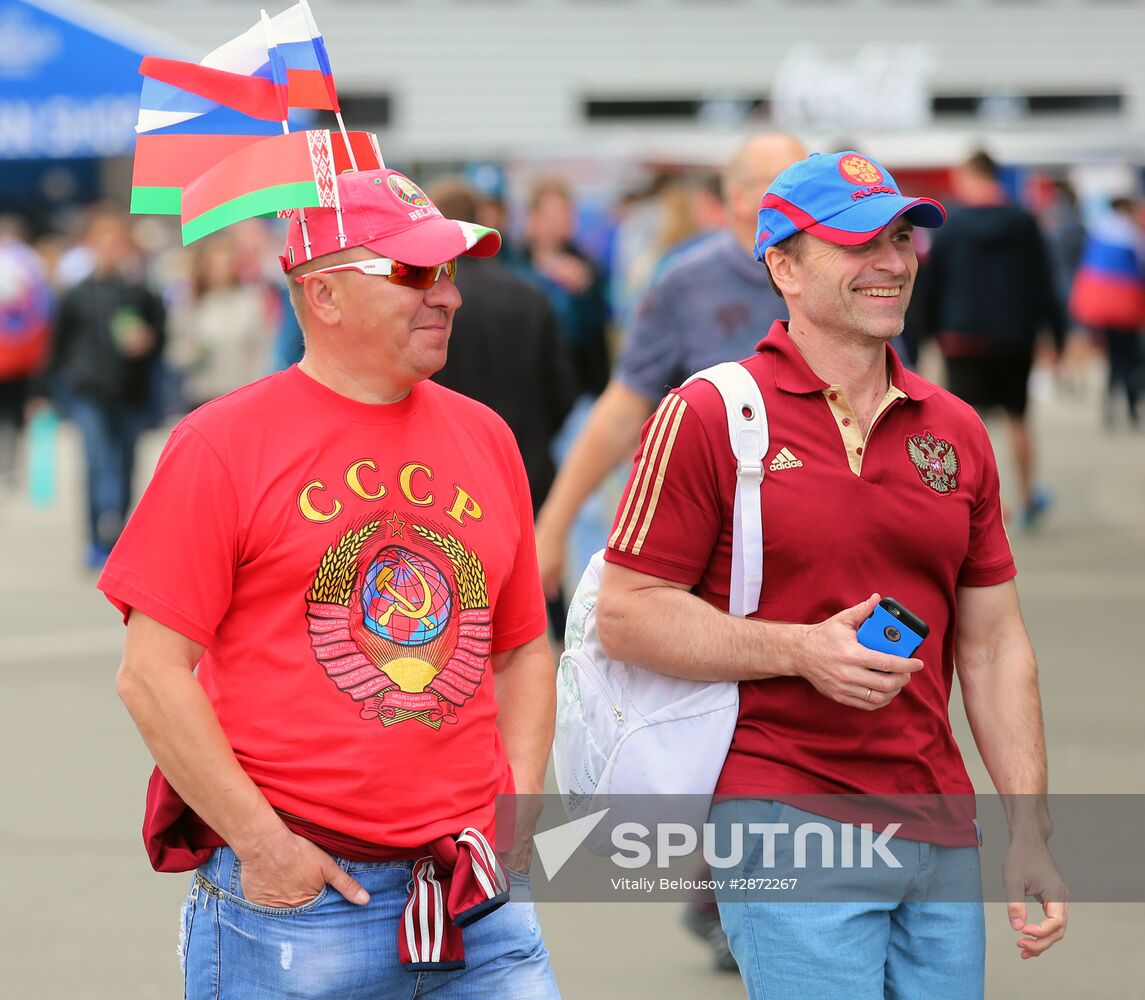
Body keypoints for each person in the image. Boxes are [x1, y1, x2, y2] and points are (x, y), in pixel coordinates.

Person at [594, 151, 1067, 1000]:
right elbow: (626, 615)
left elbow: (994, 645)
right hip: (784, 814)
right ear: (781, 265)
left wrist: (1026, 825)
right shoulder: (708, 413)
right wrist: (800, 650)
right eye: (856, 243)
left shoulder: (954, 429)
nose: (889, 262)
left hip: (936, 823)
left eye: (898, 238)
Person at [100, 169, 560, 998]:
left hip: (474, 889)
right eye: (415, 273)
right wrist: (263, 847)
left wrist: (516, 813)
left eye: (448, 272)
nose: (447, 296)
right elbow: (150, 673)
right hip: (301, 901)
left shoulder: (485, 437)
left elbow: (523, 643)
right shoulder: (220, 444)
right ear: (324, 295)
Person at [534, 133, 806, 601]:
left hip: (813, 534)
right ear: (738, 198)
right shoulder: (686, 282)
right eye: (783, 183)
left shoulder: (834, 276)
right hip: (720, 547)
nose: (804, 198)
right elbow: (622, 408)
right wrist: (553, 527)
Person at [428, 177, 579, 633]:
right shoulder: (530, 296)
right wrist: (535, 434)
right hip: (526, 458)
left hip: (443, 463)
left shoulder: (426, 304)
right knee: (534, 583)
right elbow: (564, 387)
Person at [911, 150, 1065, 529]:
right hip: (1015, 335)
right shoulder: (1024, 221)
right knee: (1018, 418)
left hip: (961, 336)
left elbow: (932, 283)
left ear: (969, 175)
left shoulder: (952, 223)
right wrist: (1056, 336)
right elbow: (1044, 281)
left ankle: (972, 508)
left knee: (965, 424)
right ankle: (1027, 500)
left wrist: (923, 336)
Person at [32, 205, 166, 568]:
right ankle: (94, 537)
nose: (108, 245)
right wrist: (41, 393)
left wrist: (147, 341)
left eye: (115, 238)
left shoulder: (140, 291)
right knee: (95, 461)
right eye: (101, 238)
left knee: (124, 464)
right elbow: (56, 345)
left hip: (130, 392)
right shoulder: (75, 294)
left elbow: (161, 338)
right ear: (90, 243)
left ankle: (118, 535)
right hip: (88, 392)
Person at [168, 232, 274, 411]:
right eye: (214, 263)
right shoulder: (190, 303)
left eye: (226, 262)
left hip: (242, 395)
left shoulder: (251, 301)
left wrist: (259, 390)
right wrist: (192, 351)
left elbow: (263, 348)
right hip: (203, 396)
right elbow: (174, 353)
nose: (221, 269)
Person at [1069, 196, 1145, 429]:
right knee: (1130, 359)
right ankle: (1131, 409)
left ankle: (1109, 408)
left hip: (1104, 308)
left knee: (1112, 359)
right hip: (1129, 308)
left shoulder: (1097, 232)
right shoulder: (1132, 234)